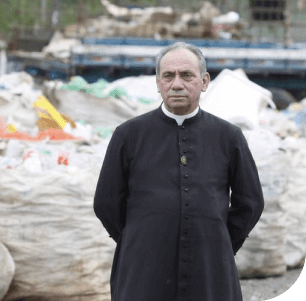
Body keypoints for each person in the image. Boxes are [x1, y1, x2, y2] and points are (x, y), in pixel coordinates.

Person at [93, 41, 264, 301]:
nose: (176, 84)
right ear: (158, 82)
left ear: (204, 81)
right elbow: (106, 202)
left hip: (211, 267)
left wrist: (219, 242)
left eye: (187, 75)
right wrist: (139, 237)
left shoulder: (229, 137)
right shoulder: (128, 135)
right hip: (143, 267)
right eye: (168, 76)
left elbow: (250, 201)